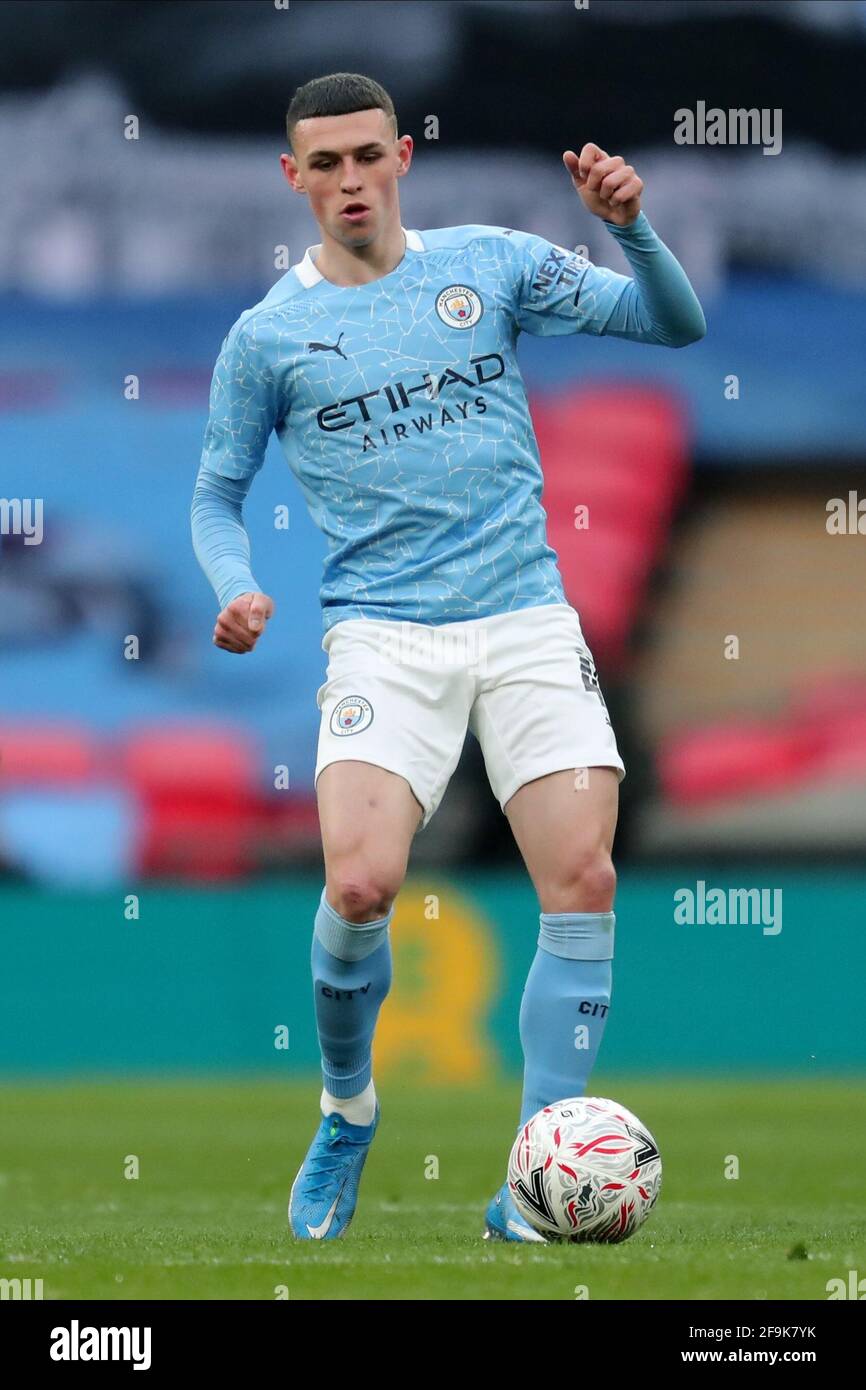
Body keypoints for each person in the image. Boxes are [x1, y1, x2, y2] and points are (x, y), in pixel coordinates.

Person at [190, 71, 705, 1243]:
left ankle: (533, 1186)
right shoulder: (267, 337)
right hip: (381, 634)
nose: (348, 180)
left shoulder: (490, 263)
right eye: (322, 165)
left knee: (579, 879)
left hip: (524, 618)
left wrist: (629, 227)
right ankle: (346, 1108)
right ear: (293, 179)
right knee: (360, 883)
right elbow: (217, 495)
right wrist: (235, 585)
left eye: (366, 155)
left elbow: (671, 323)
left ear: (402, 156)